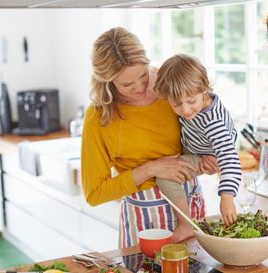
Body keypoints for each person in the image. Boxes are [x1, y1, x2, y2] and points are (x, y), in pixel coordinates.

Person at [81, 27, 216, 247]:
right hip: (145, 222)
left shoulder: (170, 84)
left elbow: (206, 119)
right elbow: (94, 194)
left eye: (143, 75)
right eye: (127, 84)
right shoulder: (99, 116)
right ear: (107, 81)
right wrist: (151, 169)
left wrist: (209, 157)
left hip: (191, 205)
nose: (141, 87)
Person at [154, 54, 242, 234]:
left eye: (191, 101)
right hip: (195, 144)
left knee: (165, 178)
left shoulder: (213, 122)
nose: (185, 110)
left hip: (205, 153)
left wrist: (227, 197)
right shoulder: (193, 101)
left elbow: (230, 158)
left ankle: (186, 224)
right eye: (177, 104)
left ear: (204, 89)